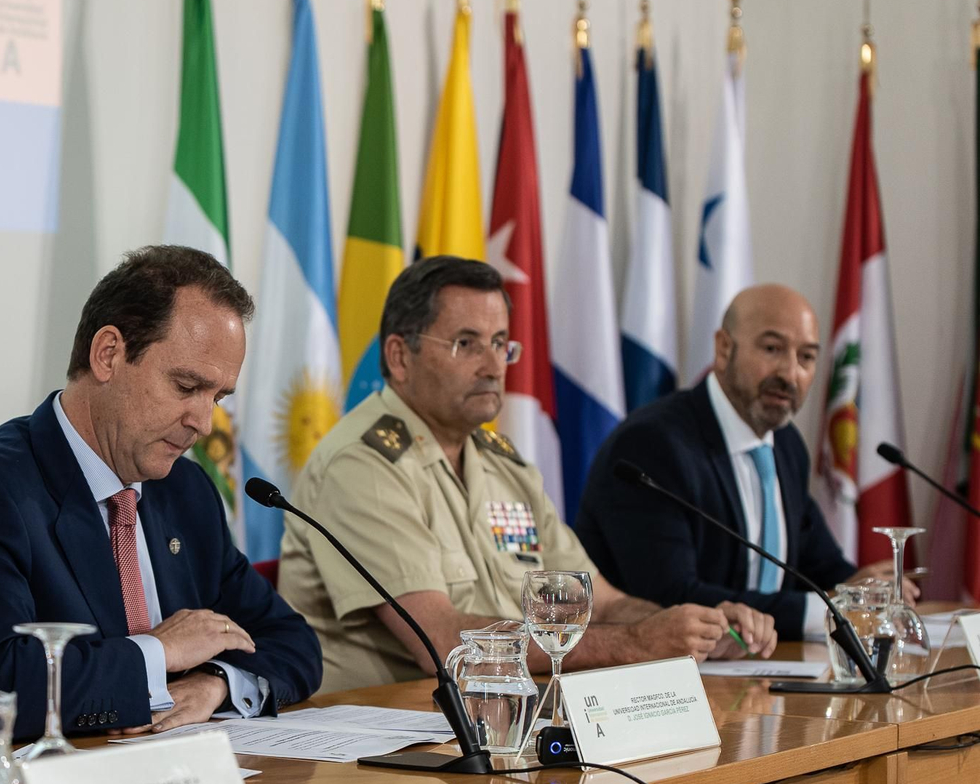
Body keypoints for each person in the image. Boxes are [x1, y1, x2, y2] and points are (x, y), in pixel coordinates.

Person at [276, 256, 777, 693]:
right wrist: (635, 645)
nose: (494, 365)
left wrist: (697, 629)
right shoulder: (363, 465)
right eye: (467, 343)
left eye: (500, 343)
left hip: (501, 715)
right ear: (399, 356)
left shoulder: (503, 464)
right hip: (385, 736)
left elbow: (601, 604)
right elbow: (439, 640)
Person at [0, 245, 322, 745]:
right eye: (186, 386)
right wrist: (159, 654)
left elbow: (294, 643)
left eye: (218, 397)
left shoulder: (186, 492)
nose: (203, 424)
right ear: (109, 354)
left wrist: (216, 683)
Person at [576, 284, 909, 641]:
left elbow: (819, 562)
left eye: (807, 357)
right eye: (771, 349)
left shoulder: (784, 443)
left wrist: (859, 590)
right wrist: (822, 610)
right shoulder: (652, 445)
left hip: (760, 667)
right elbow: (668, 596)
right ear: (723, 349)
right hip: (656, 679)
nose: (790, 373)